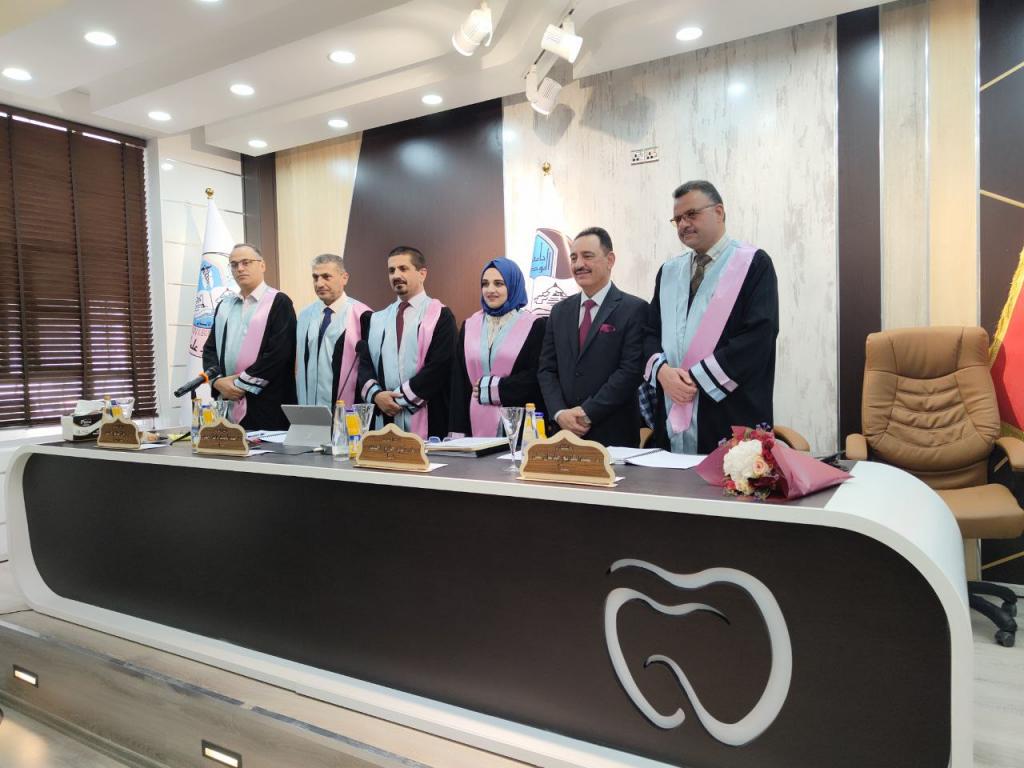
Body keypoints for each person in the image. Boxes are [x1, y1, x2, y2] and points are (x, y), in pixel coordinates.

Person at [644, 180, 779, 454]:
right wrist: (663, 373)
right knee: (670, 480)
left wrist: (693, 379)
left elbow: (759, 337)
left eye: (692, 214)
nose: (683, 224)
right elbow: (649, 332)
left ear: (719, 212)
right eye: (678, 219)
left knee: (724, 477)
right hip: (671, 406)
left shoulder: (753, 264)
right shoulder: (669, 272)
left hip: (728, 411)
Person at [537, 227, 649, 447]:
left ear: (610, 260)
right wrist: (559, 413)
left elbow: (630, 371)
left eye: (587, 256)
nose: (579, 264)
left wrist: (587, 413)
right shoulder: (559, 311)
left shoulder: (634, 309)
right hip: (563, 434)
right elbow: (546, 369)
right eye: (574, 258)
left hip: (613, 436)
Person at [356, 246, 456, 439]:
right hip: (385, 419)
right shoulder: (377, 319)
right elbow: (365, 364)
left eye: (403, 268)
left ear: (422, 274)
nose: (396, 275)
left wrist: (398, 400)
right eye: (391, 270)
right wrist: (377, 396)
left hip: (429, 417)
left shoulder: (440, 315)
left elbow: (440, 366)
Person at [202, 243, 297, 430]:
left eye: (246, 262)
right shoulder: (224, 305)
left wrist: (239, 385)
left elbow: (278, 354)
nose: (240, 268)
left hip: (267, 405)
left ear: (262, 265)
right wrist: (218, 382)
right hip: (228, 403)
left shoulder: (279, 302)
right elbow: (210, 350)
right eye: (234, 264)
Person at [449, 258, 546, 437]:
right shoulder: (469, 325)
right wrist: (457, 430)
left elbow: (537, 377)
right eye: (485, 284)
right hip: (472, 425)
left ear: (513, 285)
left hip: (517, 425)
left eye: (499, 284)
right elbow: (459, 383)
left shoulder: (535, 325)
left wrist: (495, 388)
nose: (490, 290)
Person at [295, 254, 372, 408]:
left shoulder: (363, 315)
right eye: (315, 277)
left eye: (326, 277)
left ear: (344, 278)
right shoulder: (304, 316)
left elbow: (369, 368)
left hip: (348, 408)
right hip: (309, 408)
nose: (319, 283)